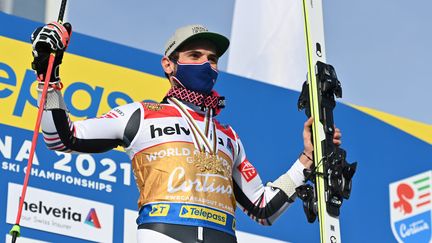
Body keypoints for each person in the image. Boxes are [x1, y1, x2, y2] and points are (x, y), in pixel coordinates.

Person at [31, 22, 341, 243]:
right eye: (195, 56)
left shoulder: (229, 136)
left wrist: (306, 159)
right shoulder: (141, 114)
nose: (207, 64)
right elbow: (61, 136)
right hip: (163, 234)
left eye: (213, 59)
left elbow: (263, 208)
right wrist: (49, 74)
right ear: (169, 64)